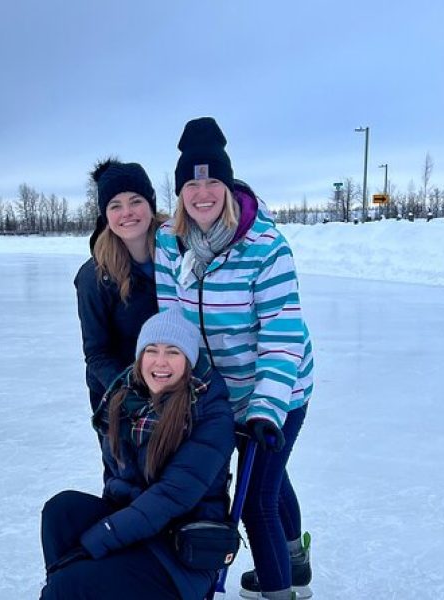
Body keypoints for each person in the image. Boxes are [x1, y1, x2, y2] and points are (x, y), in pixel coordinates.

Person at [155, 117, 315, 600]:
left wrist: (267, 409)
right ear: (181, 191)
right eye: (191, 183)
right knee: (271, 476)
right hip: (220, 396)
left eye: (212, 182)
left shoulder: (265, 247)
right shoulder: (170, 243)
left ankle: (278, 590)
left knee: (256, 501)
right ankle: (295, 565)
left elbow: (282, 336)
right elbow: (174, 324)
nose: (202, 193)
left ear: (227, 185)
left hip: (279, 390)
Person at [39, 308, 236, 600]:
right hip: (140, 529)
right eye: (151, 350)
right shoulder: (127, 397)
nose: (160, 362)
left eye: (173, 352)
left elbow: (169, 498)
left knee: (69, 584)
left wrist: (100, 538)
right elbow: (115, 482)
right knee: (62, 510)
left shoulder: (211, 415)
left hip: (181, 552)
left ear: (189, 361)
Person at [74, 158, 160, 416]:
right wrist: (134, 396)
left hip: (176, 389)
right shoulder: (94, 277)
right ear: (105, 214)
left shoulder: (178, 255)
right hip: (120, 397)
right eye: (115, 205)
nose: (127, 212)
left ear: (151, 204)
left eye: (136, 201)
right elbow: (97, 352)